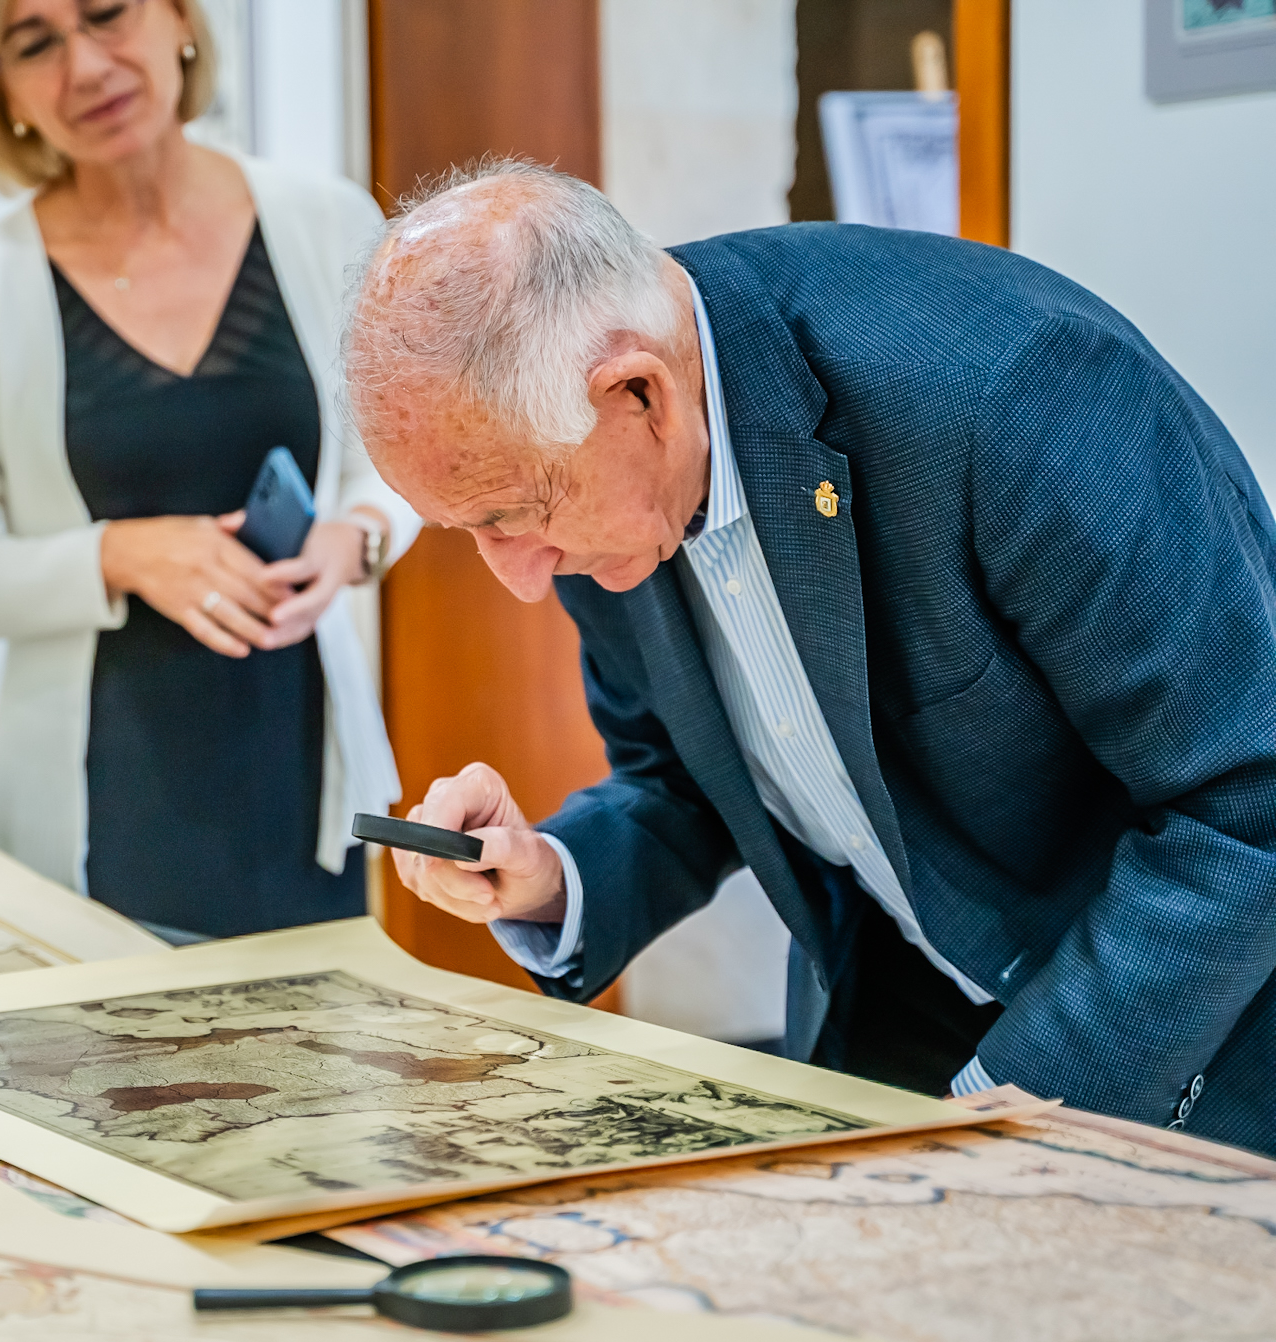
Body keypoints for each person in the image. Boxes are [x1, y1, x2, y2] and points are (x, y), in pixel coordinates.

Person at [343, 160, 1276, 1154]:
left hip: (1176, 1049)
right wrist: (548, 875)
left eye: (510, 516)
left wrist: (1013, 1100)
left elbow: (1244, 805)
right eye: (467, 530)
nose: (519, 578)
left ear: (641, 394)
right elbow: (686, 779)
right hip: (894, 1014)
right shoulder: (579, 464)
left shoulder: (1008, 393)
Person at [0, 0, 420, 939]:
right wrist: (118, 555)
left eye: (107, 14)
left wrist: (358, 536)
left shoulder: (329, 222)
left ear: (179, 20)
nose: (87, 67)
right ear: (0, 90)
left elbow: (408, 460)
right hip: (103, 810)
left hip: (303, 786)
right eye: (35, 44)